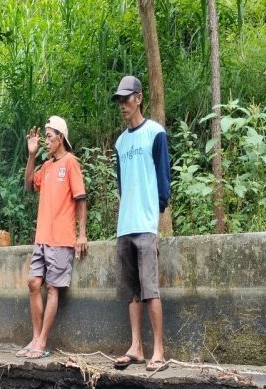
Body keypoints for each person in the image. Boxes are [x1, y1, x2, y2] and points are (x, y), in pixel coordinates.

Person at [110, 76, 171, 372]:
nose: (122, 105)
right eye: (119, 101)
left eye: (126, 99)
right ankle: (136, 347)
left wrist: (154, 219)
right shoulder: (120, 143)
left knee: (150, 289)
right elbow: (122, 185)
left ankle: (159, 350)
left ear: (139, 98)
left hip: (146, 224)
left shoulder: (155, 134)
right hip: (125, 224)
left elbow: (163, 183)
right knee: (131, 291)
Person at [17, 116, 87, 359]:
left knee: (53, 289)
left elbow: (80, 198)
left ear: (61, 138)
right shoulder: (45, 166)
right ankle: (36, 338)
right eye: (44, 136)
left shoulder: (71, 163)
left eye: (49, 136)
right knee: (33, 283)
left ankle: (42, 342)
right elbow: (28, 185)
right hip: (42, 238)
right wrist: (32, 155)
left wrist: (82, 234)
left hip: (61, 238)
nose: (45, 140)